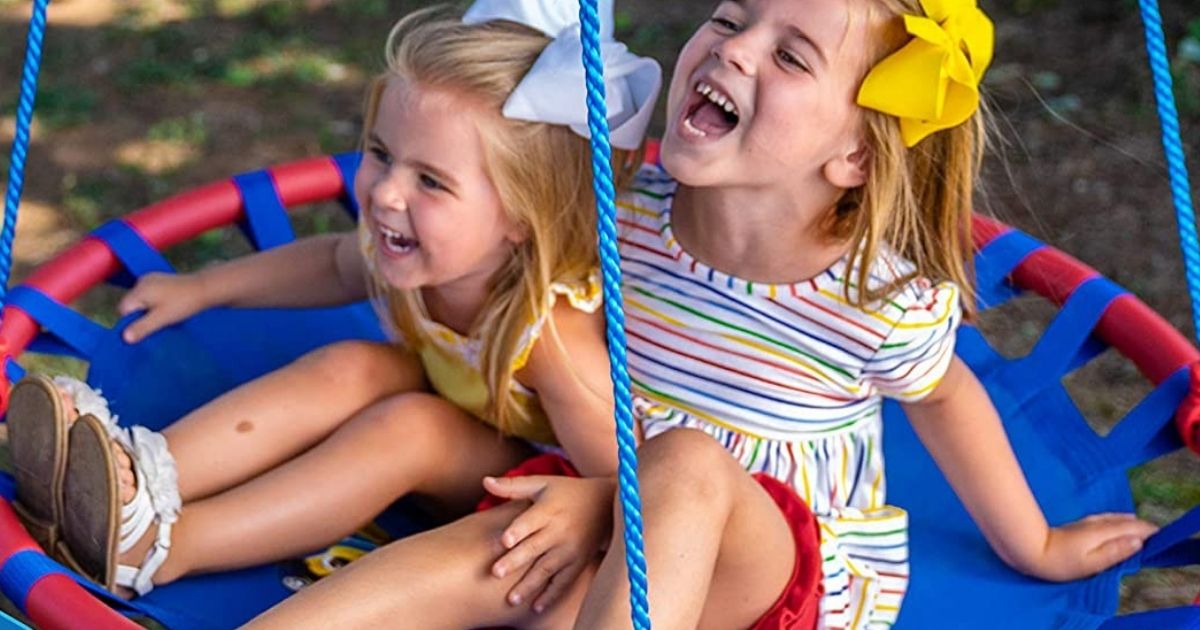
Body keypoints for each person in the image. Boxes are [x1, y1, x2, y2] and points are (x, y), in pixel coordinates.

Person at [245, 1, 1160, 629]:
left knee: (682, 467)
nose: (732, 47)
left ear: (854, 155)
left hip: (774, 561)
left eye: (790, 54)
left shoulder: (871, 293)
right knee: (503, 552)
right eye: (730, 16)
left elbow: (947, 399)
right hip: (606, 491)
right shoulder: (625, 203)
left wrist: (1035, 541)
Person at [5, 1, 660, 602]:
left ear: (522, 216)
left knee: (409, 428)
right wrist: (203, 287)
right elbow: (331, 262)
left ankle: (160, 550)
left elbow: (626, 486)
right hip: (468, 417)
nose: (383, 193)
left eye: (430, 180)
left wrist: (584, 507)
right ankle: (138, 477)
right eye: (380, 153)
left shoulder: (553, 339)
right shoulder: (412, 246)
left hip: (518, 499)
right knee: (356, 365)